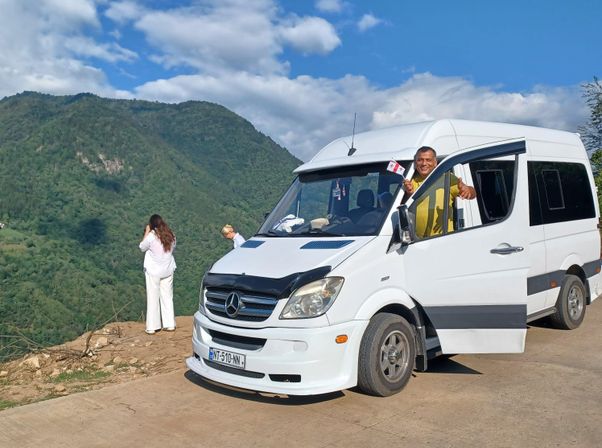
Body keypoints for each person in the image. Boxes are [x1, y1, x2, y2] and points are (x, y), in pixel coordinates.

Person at [403, 146, 476, 237]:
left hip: (441, 238)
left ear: (435, 163)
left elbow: (473, 194)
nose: (424, 163)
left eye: (428, 160)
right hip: (416, 239)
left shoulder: (447, 178)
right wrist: (408, 194)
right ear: (415, 162)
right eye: (420, 160)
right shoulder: (409, 180)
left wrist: (468, 190)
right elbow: (401, 208)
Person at [139, 214, 177, 334]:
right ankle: (170, 324)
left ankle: (152, 326)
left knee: (153, 297)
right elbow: (173, 248)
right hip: (168, 269)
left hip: (154, 271)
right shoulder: (171, 235)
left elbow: (142, 247)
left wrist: (147, 231)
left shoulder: (151, 236)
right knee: (167, 297)